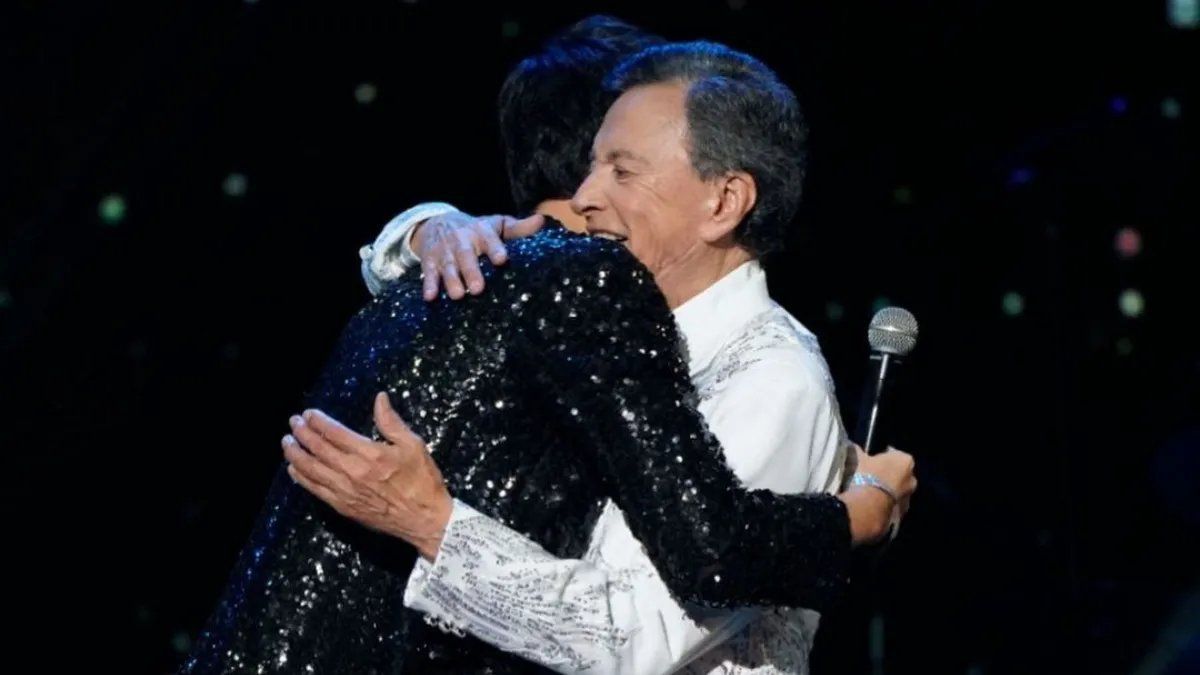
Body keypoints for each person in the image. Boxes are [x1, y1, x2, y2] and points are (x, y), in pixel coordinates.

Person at [287, 33, 913, 675]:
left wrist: (435, 525)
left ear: (723, 202)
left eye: (622, 169)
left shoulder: (774, 382)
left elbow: (638, 639)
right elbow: (420, 261)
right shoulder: (598, 328)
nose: (585, 196)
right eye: (591, 167)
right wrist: (433, 227)